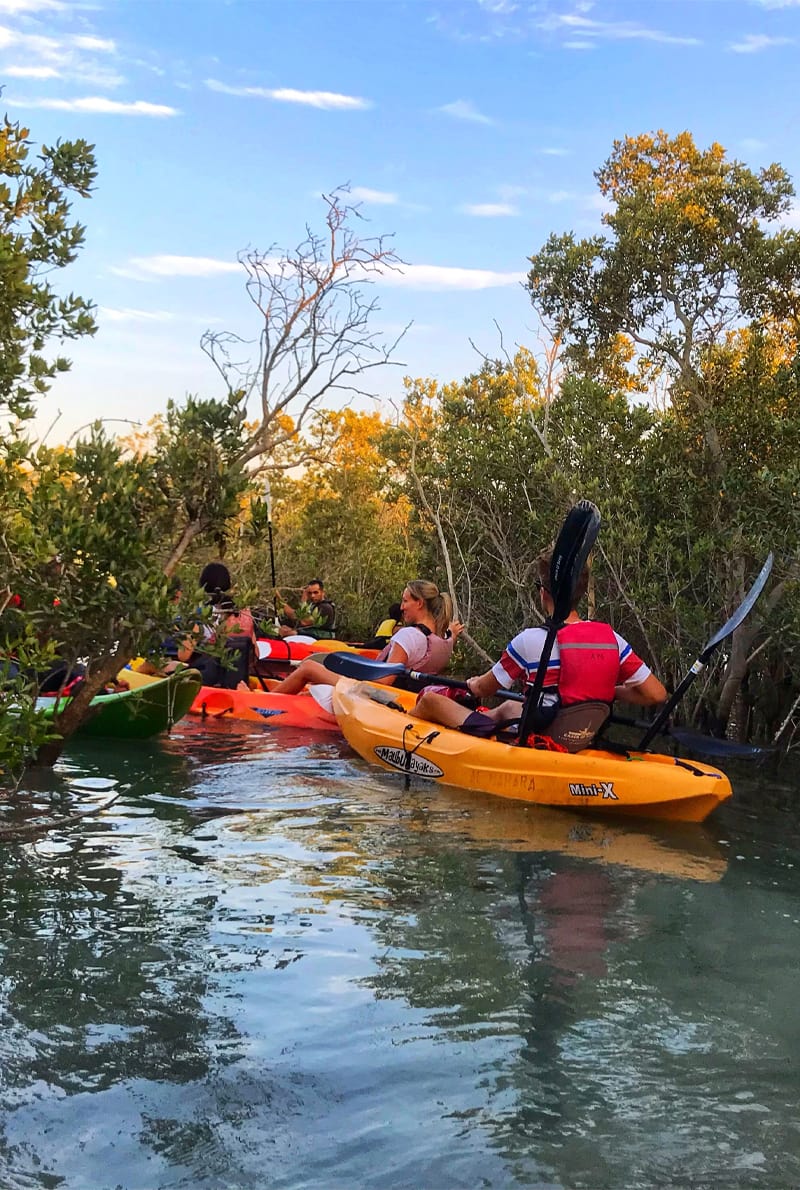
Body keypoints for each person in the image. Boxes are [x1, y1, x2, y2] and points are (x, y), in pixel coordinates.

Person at [412, 547, 666, 746]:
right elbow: (656, 694)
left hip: (543, 734)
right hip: (581, 735)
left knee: (431, 700)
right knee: (508, 707)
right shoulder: (613, 640)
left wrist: (473, 683)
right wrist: (608, 690)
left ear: (543, 593)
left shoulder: (530, 640)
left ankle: (405, 724)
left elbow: (483, 688)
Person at [270, 580, 457, 699]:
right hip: (408, 696)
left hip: (379, 698)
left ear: (419, 603)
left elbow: (384, 684)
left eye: (405, 601)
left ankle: (265, 700)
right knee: (319, 675)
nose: (401, 607)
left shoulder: (408, 635)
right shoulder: (445, 640)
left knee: (309, 668)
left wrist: (353, 677)